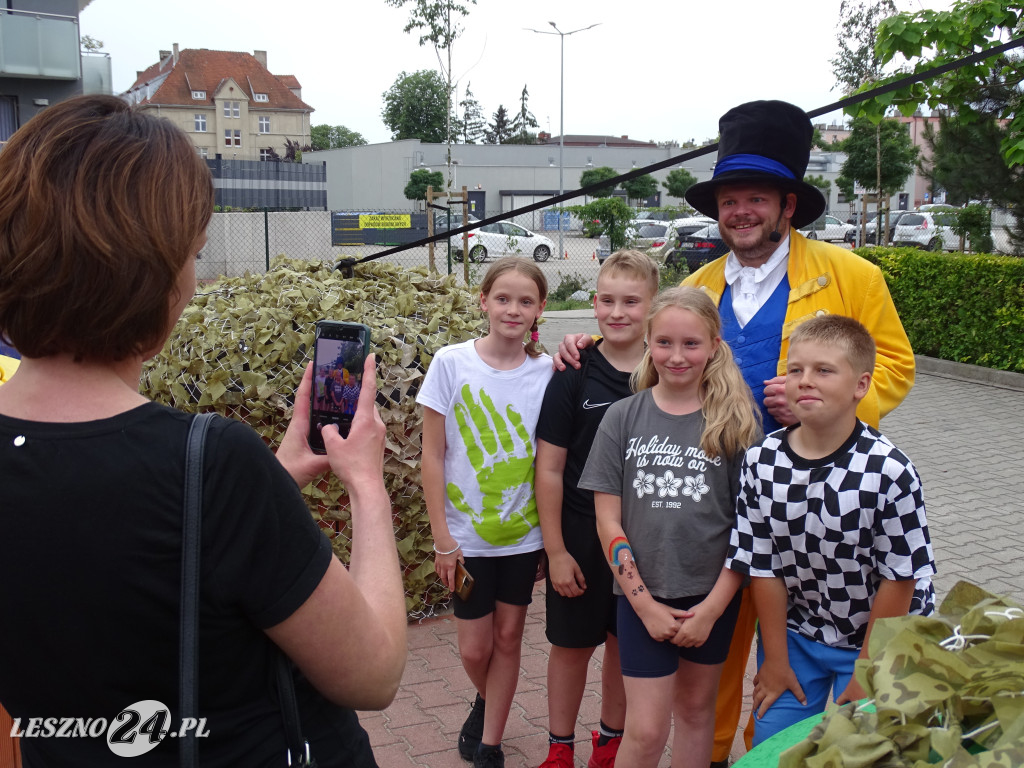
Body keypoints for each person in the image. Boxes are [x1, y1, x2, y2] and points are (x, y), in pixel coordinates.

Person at [0, 94, 407, 767]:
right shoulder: (210, 463)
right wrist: (367, 486)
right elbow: (373, 674)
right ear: (154, 274)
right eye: (190, 253)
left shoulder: (209, 477)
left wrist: (263, 486)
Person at [556, 99, 916, 767]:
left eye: (756, 198)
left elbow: (895, 362)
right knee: (710, 661)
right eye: (730, 199)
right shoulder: (697, 282)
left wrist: (828, 409)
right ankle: (715, 755)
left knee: (792, 652)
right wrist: (583, 344)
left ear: (787, 206)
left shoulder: (853, 277)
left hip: (808, 504)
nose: (740, 212)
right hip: (706, 506)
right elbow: (651, 341)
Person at [725, 315, 935, 745]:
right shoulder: (761, 461)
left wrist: (866, 673)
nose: (805, 381)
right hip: (799, 635)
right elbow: (762, 566)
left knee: (864, 748)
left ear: (860, 385)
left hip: (881, 639)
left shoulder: (888, 470)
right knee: (773, 743)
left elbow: (901, 578)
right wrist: (776, 661)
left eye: (824, 370)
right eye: (795, 369)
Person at [579, 286, 761, 768]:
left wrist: (712, 608)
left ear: (715, 345)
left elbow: (748, 528)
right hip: (641, 600)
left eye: (691, 344)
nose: (676, 356)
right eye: (664, 343)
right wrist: (644, 604)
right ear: (648, 343)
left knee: (698, 714)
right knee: (646, 729)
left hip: (711, 599)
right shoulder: (623, 417)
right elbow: (607, 517)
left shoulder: (735, 423)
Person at [417, 257, 552, 768]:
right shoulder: (451, 363)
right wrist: (442, 539)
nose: (512, 309)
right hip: (465, 540)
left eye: (525, 301)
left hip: (521, 538)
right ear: (483, 301)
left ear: (540, 309)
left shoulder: (546, 373)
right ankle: (486, 696)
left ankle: (490, 743)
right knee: (475, 650)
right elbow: (432, 455)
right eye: (503, 298)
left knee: (509, 638)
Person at [534, 250, 658, 768]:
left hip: (645, 536)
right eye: (607, 300)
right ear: (593, 302)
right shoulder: (575, 370)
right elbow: (549, 468)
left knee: (622, 646)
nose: (618, 311)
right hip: (582, 534)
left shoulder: (667, 368)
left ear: (653, 305)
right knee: (570, 646)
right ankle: (559, 748)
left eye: (632, 301)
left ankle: (609, 742)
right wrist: (556, 550)